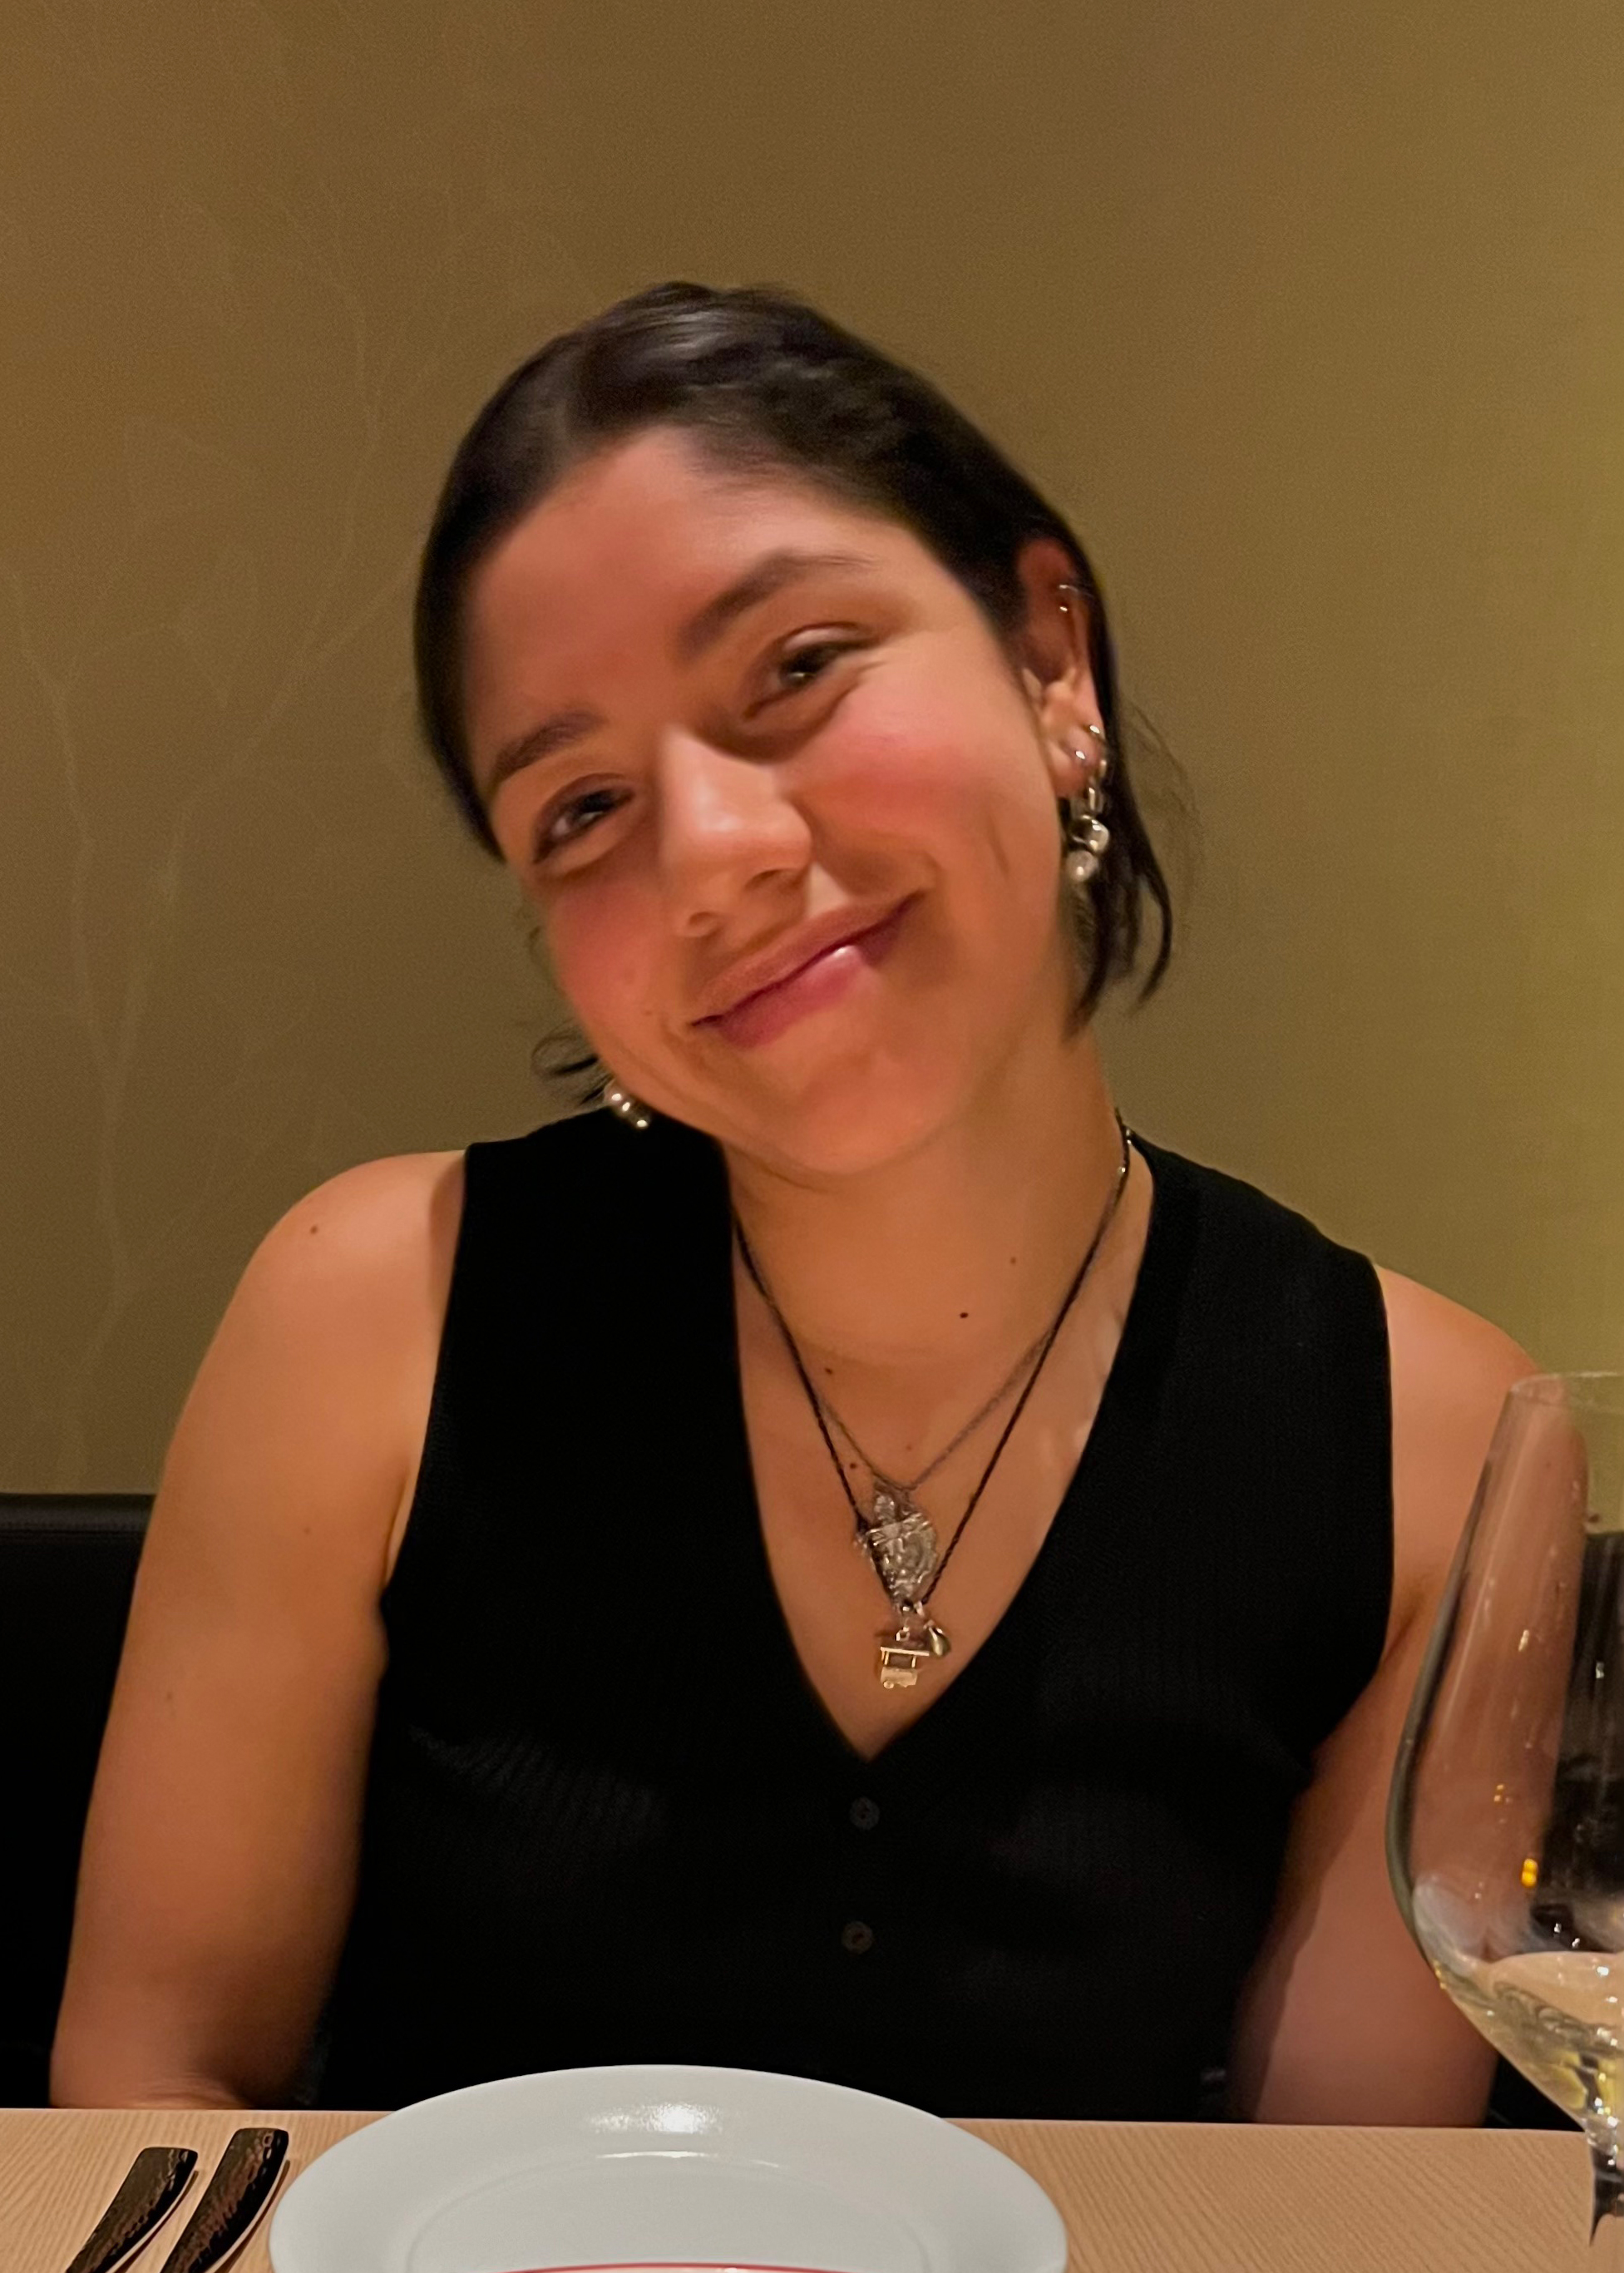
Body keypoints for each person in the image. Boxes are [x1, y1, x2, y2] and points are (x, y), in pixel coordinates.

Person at [52, 283, 1528, 2123]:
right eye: (581, 805)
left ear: (1047, 662)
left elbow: (1341, 2232)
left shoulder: (1424, 1440)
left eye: (797, 663)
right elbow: (157, 2081)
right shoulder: (371, 1312)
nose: (717, 853)